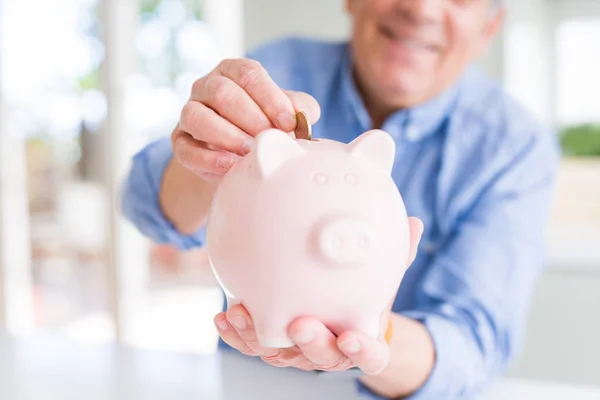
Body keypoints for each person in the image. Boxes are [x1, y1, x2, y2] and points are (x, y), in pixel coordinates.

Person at [120, 0, 560, 398]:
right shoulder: (278, 75)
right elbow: (141, 201)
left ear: (488, 28)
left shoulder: (512, 146)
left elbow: (472, 343)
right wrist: (215, 160)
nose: (422, 8)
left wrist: (373, 335)